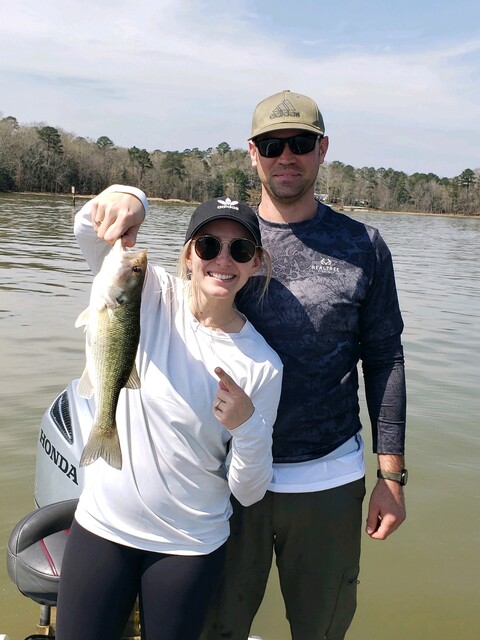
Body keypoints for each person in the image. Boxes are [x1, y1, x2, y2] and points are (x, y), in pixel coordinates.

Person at [89, 89, 407, 640]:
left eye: (300, 143)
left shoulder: (365, 245)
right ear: (252, 152)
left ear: (322, 149)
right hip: (222, 482)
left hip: (327, 479)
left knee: (324, 626)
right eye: (272, 143)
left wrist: (391, 475)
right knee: (216, 626)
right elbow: (129, 274)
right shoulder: (221, 239)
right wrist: (129, 197)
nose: (287, 155)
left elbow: (385, 358)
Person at [55, 192, 283, 640]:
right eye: (208, 246)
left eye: (240, 250)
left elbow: (250, 491)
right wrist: (130, 198)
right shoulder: (147, 291)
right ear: (188, 255)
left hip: (188, 547)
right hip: (103, 525)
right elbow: (86, 228)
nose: (223, 260)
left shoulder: (263, 364)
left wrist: (247, 425)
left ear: (255, 263)